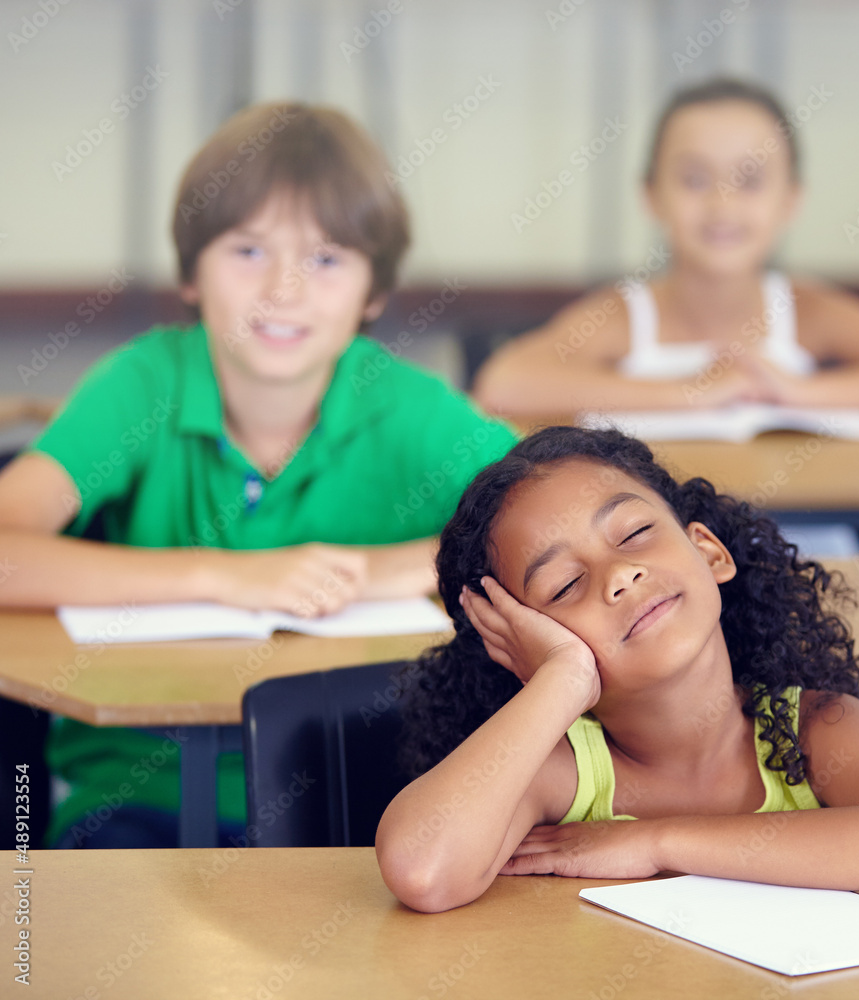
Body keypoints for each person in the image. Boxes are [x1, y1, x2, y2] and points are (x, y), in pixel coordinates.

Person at [0, 102, 517, 848]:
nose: (284, 288)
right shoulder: (144, 384)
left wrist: (385, 568)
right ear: (191, 273)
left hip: (367, 799)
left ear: (372, 293)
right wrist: (225, 575)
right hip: (140, 797)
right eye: (248, 251)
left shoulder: (409, 408)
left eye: (328, 258)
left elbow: (564, 515)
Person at [376, 426, 859, 913]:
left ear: (709, 552)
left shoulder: (815, 730)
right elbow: (424, 871)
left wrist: (653, 842)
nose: (619, 575)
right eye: (565, 586)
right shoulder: (564, 771)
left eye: (635, 533)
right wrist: (560, 679)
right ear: (521, 643)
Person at [473, 79, 859, 417]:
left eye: (750, 181)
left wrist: (799, 393)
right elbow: (505, 383)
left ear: (791, 199)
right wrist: (689, 395)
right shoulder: (624, 315)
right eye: (695, 179)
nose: (723, 206)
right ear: (651, 195)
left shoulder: (809, 311)